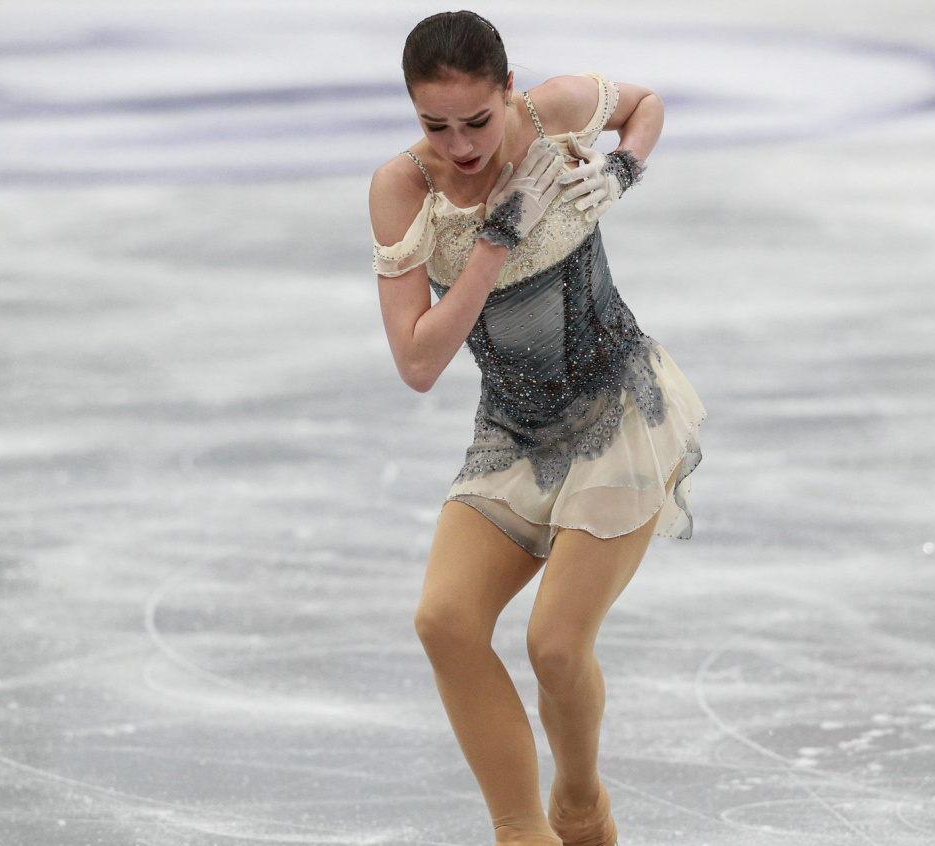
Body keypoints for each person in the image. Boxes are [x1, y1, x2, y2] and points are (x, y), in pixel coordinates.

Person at [369, 11, 705, 846]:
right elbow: (418, 362)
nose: (460, 144)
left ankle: (581, 804)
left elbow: (645, 104)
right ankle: (521, 832)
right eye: (435, 125)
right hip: (513, 435)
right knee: (445, 622)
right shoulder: (404, 191)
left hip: (619, 411)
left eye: (477, 120)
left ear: (508, 90)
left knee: (555, 647)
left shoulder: (554, 113)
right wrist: (494, 242)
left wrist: (623, 169)